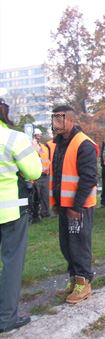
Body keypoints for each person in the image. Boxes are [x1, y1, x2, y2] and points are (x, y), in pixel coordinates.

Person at [0, 99, 41, 334]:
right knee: (11, 263)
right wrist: (33, 153)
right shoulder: (14, 138)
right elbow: (34, 171)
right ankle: (6, 318)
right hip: (10, 210)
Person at [50, 105, 98, 304]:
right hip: (64, 205)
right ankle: (74, 280)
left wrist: (76, 207)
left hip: (78, 207)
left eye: (59, 119)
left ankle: (83, 282)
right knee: (67, 246)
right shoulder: (58, 143)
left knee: (79, 245)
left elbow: (88, 178)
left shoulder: (84, 144)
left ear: (71, 120)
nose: (55, 124)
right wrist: (57, 202)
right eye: (53, 119)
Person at [30, 128, 51, 222]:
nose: (38, 137)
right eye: (36, 135)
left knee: (45, 195)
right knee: (36, 196)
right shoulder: (31, 146)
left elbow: (48, 159)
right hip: (36, 175)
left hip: (45, 174)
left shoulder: (44, 147)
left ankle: (45, 212)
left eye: (39, 135)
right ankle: (35, 214)